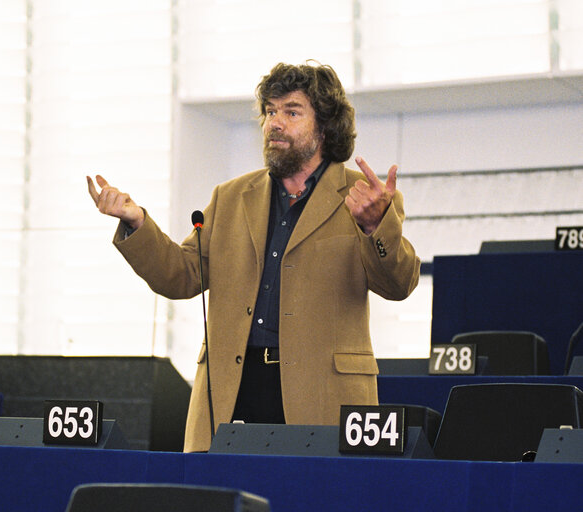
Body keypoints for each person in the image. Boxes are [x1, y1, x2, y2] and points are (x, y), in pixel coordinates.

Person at [87, 61, 421, 452]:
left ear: (325, 127)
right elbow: (179, 275)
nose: (274, 123)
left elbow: (399, 284)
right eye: (269, 111)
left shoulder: (366, 198)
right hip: (232, 390)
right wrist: (136, 221)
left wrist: (374, 227)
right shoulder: (229, 197)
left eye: (292, 112)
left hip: (321, 395)